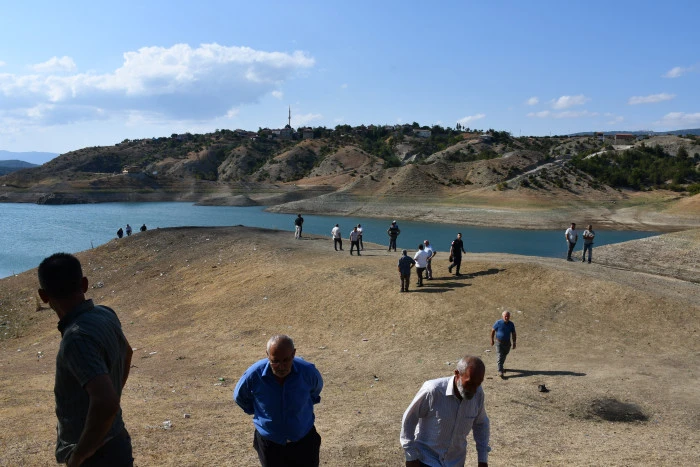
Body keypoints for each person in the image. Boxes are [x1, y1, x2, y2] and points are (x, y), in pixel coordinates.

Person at [37, 253, 134, 467]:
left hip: (98, 456)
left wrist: (78, 457)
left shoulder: (76, 338)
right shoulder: (105, 314)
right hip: (117, 441)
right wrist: (113, 392)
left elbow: (106, 401)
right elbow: (127, 353)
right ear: (84, 284)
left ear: (43, 296)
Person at [234, 335, 323, 467]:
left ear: (293, 354)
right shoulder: (254, 375)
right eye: (275, 361)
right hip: (270, 445)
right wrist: (260, 412)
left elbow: (315, 392)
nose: (281, 366)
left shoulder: (308, 372)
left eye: (285, 360)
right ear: (268, 355)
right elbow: (240, 397)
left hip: (304, 441)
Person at [400, 355, 490, 467]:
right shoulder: (433, 391)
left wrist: (482, 459)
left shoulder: (478, 394)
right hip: (426, 459)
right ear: (457, 374)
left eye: (478, 384)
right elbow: (409, 418)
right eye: (470, 383)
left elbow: (481, 424)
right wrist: (410, 456)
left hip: (455, 462)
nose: (473, 390)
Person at [490, 311, 516, 378]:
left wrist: (514, 342)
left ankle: (501, 367)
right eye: (505, 316)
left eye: (508, 316)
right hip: (499, 343)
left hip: (507, 343)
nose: (506, 317)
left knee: (504, 355)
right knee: (499, 355)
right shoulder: (498, 323)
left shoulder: (511, 324)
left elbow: (513, 333)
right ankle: (500, 371)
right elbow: (493, 331)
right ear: (502, 316)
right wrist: (492, 340)